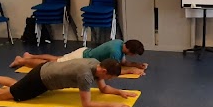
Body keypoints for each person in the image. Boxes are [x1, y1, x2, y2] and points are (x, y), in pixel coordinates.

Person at [0, 58, 136, 107]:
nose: (110, 80)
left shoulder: (95, 63)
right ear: (104, 71)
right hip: (41, 80)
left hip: (45, 69)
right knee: (5, 95)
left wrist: (120, 93)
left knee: (16, 84)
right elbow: (87, 105)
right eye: (111, 77)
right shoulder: (85, 76)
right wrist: (111, 105)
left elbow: (103, 88)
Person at [9, 39, 148, 76]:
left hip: (84, 52)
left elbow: (124, 62)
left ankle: (30, 55)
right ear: (129, 50)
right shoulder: (115, 53)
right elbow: (116, 69)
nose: (133, 56)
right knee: (51, 64)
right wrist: (132, 70)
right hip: (81, 58)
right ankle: (21, 61)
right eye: (134, 54)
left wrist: (137, 65)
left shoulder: (120, 43)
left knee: (56, 58)